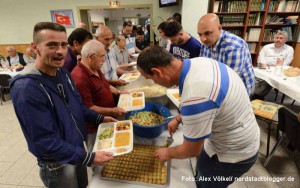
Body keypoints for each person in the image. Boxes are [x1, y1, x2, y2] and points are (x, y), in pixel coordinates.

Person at [10, 22, 116, 188]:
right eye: (52, 45)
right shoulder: (27, 88)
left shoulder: (63, 74)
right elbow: (44, 141)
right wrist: (89, 157)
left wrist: (100, 117)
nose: (60, 51)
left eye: (63, 45)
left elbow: (78, 107)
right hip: (57, 163)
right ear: (35, 47)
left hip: (76, 150)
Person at [137, 46, 260, 188]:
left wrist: (168, 153)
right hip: (235, 131)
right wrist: (178, 118)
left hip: (233, 153)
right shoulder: (198, 63)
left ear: (157, 72)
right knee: (201, 170)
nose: (154, 83)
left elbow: (191, 150)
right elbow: (212, 103)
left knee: (207, 183)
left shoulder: (195, 95)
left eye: (151, 79)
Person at [71, 40, 127, 151]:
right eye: (102, 56)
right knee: (99, 154)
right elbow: (88, 108)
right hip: (95, 127)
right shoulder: (80, 78)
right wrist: (112, 111)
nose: (104, 60)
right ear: (91, 57)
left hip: (107, 119)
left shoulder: (95, 68)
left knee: (112, 149)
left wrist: (119, 92)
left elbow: (106, 85)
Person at [198, 13, 255, 95]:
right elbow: (203, 67)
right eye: (200, 34)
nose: (203, 39)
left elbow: (229, 82)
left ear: (219, 28)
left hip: (239, 90)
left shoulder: (233, 47)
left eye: (207, 33)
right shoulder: (206, 42)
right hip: (216, 82)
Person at [252, 30, 294, 100]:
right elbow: (260, 59)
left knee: (269, 81)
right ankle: (257, 95)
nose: (278, 40)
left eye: (281, 38)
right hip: (263, 68)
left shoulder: (289, 49)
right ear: (274, 39)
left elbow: (286, 63)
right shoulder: (266, 47)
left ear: (285, 40)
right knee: (262, 79)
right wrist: (266, 68)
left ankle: (257, 96)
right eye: (277, 38)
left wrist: (274, 70)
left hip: (278, 70)